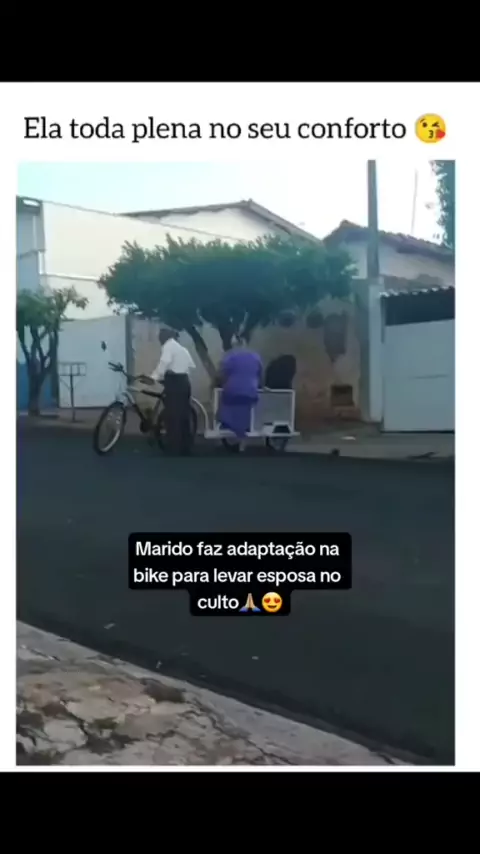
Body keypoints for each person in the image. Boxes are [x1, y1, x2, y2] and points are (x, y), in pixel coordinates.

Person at [150, 327, 196, 455]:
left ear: (165, 337)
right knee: (183, 415)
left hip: (174, 383)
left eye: (160, 337)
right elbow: (190, 366)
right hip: (184, 382)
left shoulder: (168, 346)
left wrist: (154, 377)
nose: (159, 340)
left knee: (172, 415)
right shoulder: (182, 349)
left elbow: (164, 363)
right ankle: (185, 447)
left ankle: (174, 447)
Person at [216, 336, 263, 451]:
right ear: (245, 343)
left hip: (233, 390)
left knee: (225, 407)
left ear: (234, 344)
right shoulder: (255, 356)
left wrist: (218, 383)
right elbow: (260, 373)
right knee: (247, 411)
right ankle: (243, 438)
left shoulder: (229, 356)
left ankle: (230, 428)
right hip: (251, 390)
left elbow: (222, 373)